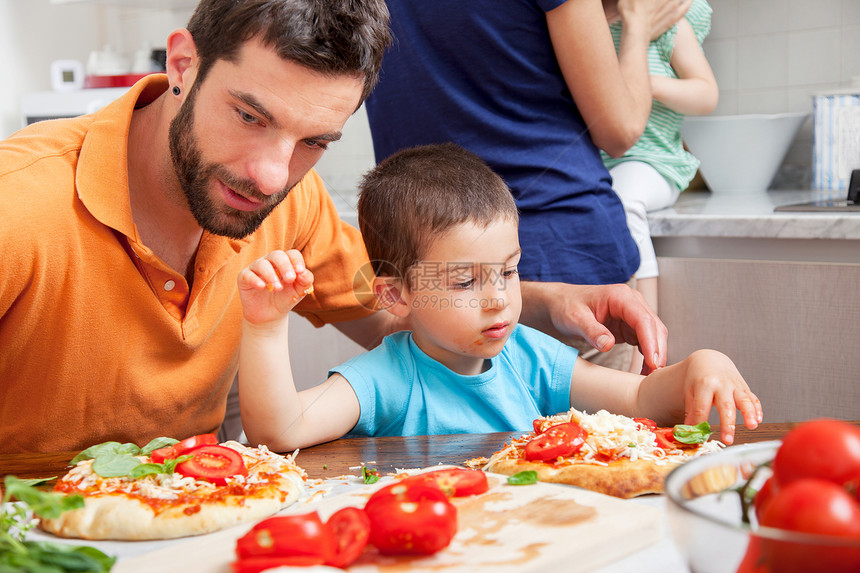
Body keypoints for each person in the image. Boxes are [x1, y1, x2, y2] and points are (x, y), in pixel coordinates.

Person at [0, 0, 666, 454]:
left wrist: (547, 299)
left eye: (314, 140)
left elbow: (393, 310)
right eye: (249, 116)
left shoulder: (294, 202)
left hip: (191, 514)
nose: (269, 174)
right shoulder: (18, 207)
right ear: (182, 65)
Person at [238, 144, 763, 453]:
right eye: (465, 283)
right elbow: (280, 431)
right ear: (396, 296)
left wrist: (700, 365)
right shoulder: (386, 379)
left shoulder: (530, 357)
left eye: (509, 272)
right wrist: (264, 328)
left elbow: (643, 401)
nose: (499, 301)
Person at [364, 0, 692, 372]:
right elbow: (619, 128)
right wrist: (639, 30)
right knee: (597, 429)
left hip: (427, 278)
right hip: (568, 250)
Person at [600, 0, 718, 371]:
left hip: (656, 163)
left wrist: (641, 82)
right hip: (597, 166)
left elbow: (705, 94)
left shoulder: (666, 19)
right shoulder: (584, 27)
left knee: (621, 199)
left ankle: (646, 342)